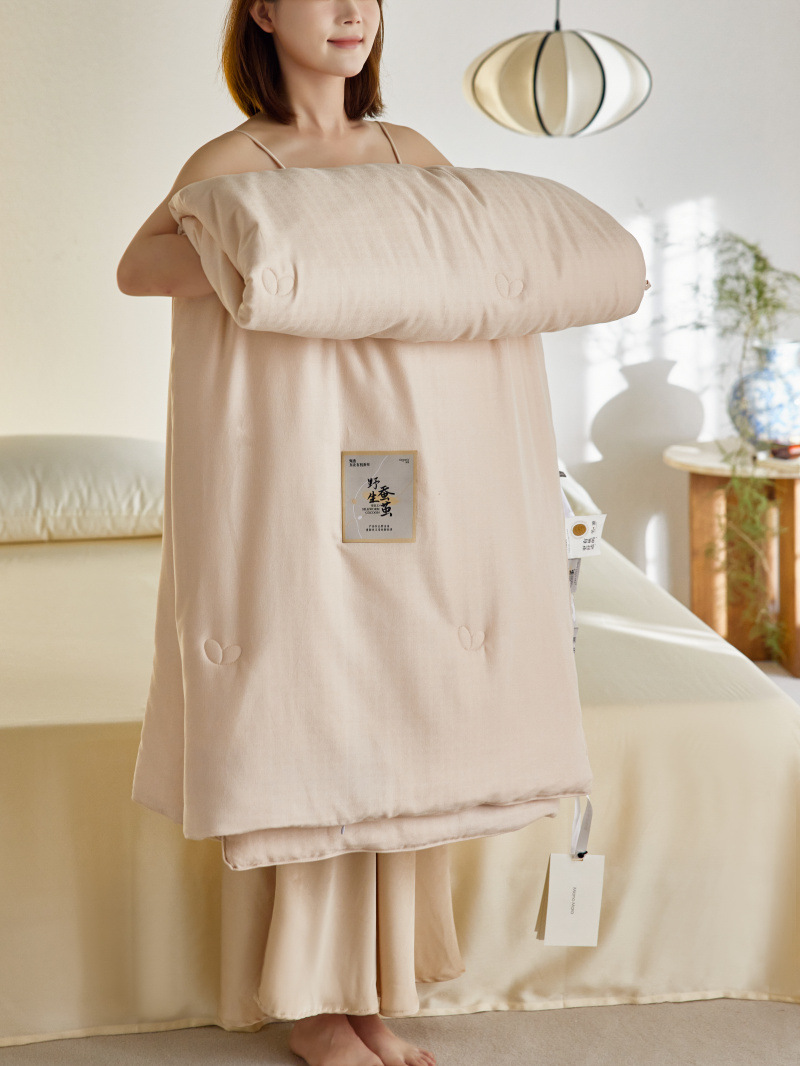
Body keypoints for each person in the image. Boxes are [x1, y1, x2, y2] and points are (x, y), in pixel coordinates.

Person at [117, 3, 461, 1066]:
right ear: (264, 10)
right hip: (282, 464)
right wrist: (281, 251)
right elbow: (138, 269)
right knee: (312, 707)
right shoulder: (234, 159)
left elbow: (466, 280)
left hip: (396, 461)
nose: (353, 11)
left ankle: (373, 989)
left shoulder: (409, 152)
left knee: (395, 703)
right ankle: (314, 1001)